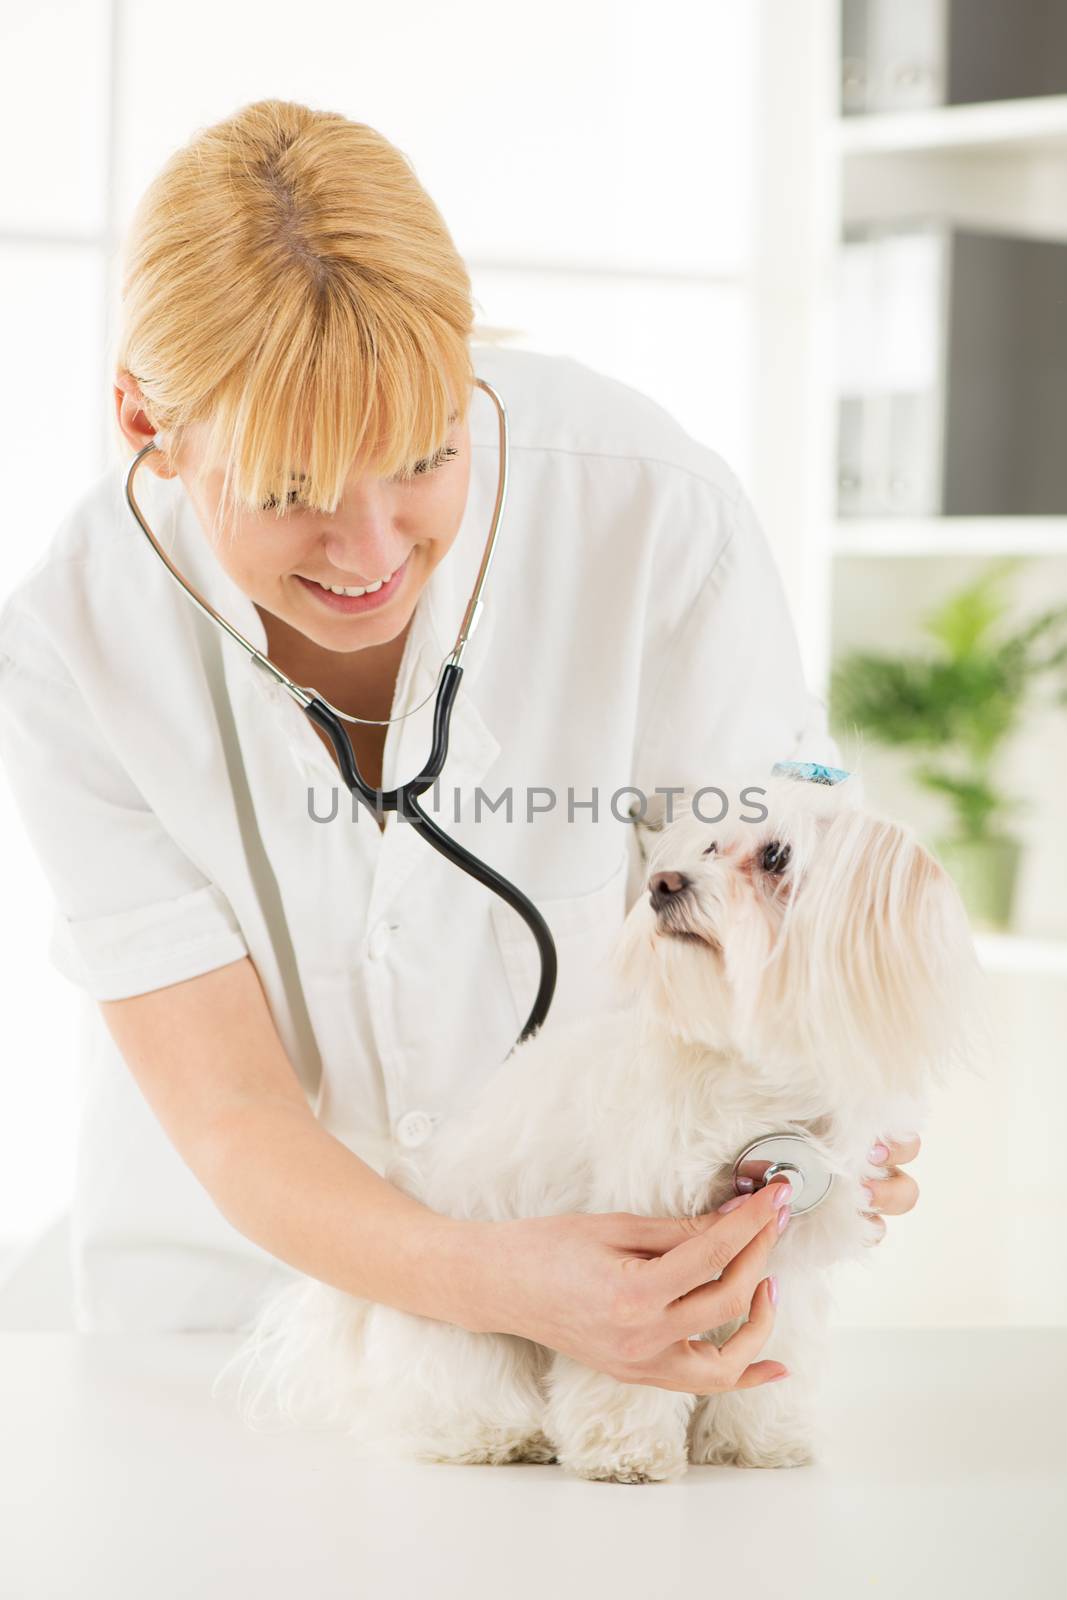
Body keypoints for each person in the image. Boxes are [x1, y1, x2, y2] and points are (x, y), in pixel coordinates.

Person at [0, 100, 920, 1379]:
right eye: (288, 494)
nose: (371, 552)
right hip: (230, 1318)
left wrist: (844, 1116)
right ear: (147, 421)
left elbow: (788, 875)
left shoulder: (646, 506)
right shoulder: (72, 638)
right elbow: (228, 1103)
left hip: (628, 1289)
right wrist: (495, 1281)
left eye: (421, 458)